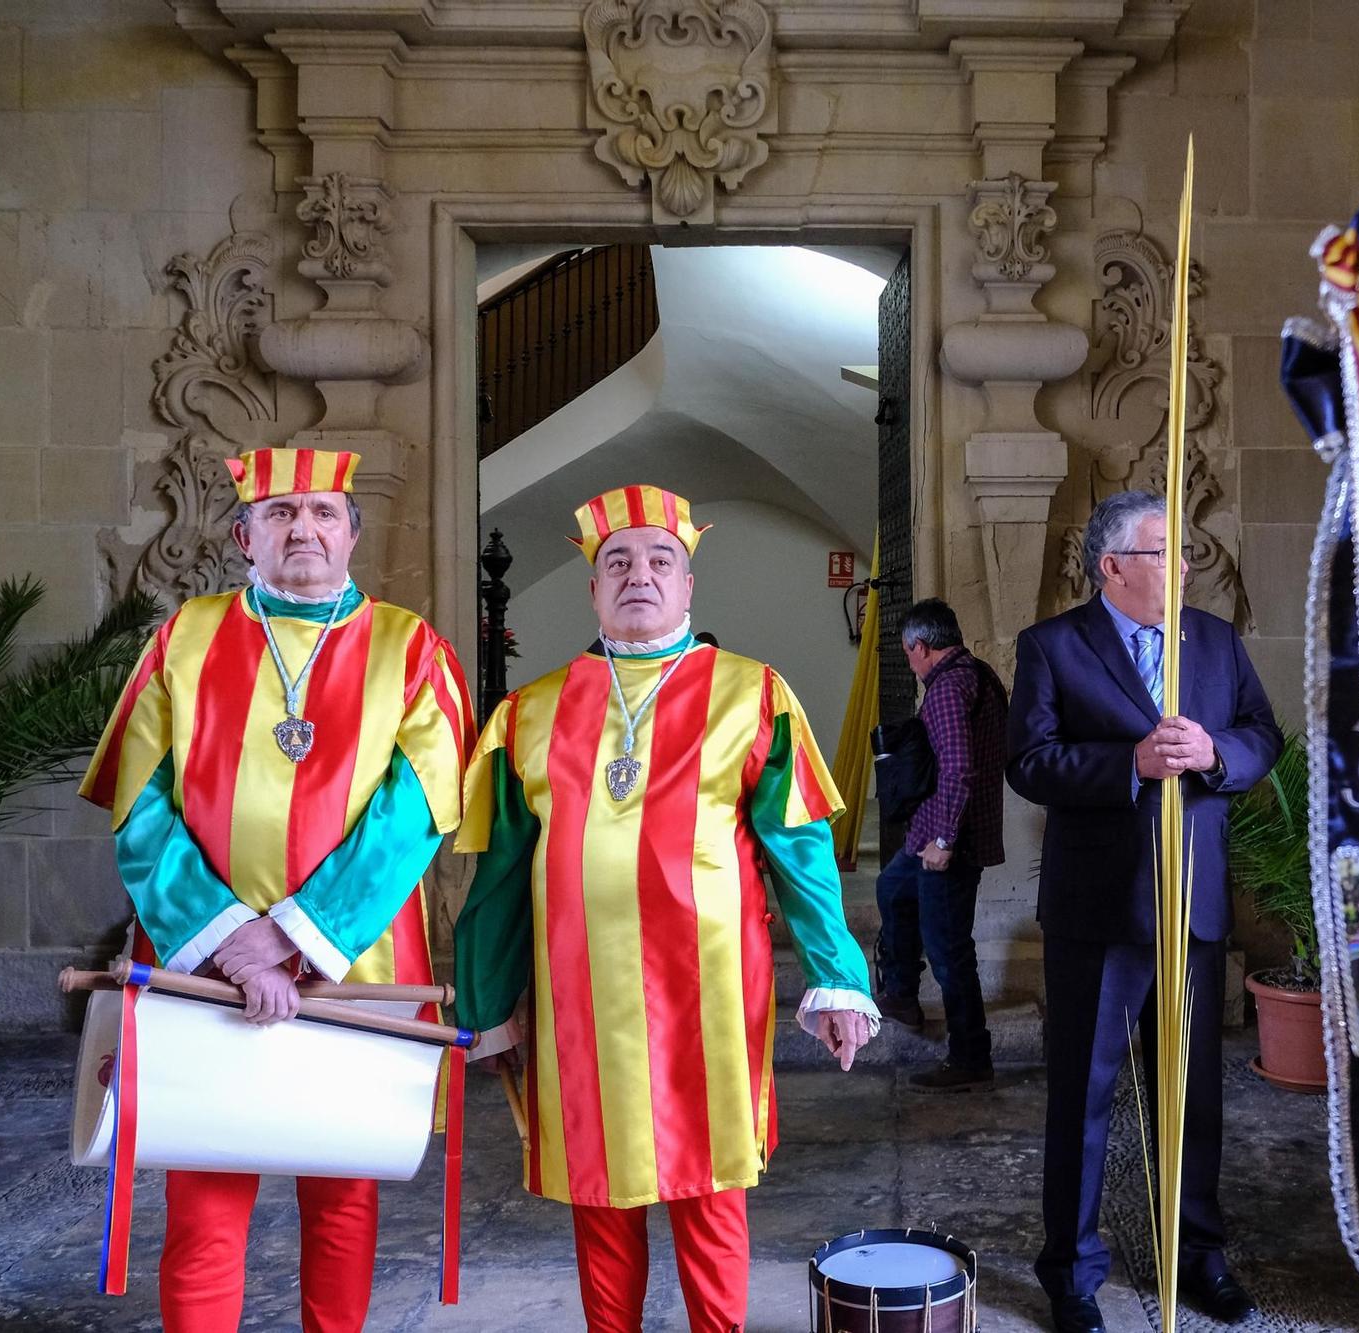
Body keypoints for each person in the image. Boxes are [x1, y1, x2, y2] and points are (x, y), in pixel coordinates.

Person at [451, 484, 879, 1333]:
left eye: (659, 560)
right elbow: (499, 876)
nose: (638, 574)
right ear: (593, 588)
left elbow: (801, 854)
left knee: (710, 1191)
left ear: (688, 586)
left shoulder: (751, 695)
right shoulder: (528, 714)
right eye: (618, 561)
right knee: (599, 1196)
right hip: (578, 999)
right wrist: (486, 1002)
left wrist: (836, 976)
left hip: (707, 999)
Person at [78, 447, 472, 1333]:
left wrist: (288, 941)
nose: (305, 528)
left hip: (355, 973)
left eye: (325, 513)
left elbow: (414, 816)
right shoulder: (181, 640)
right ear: (242, 535)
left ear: (353, 535)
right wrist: (228, 940)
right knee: (205, 1209)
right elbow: (138, 811)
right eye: (282, 512)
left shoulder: (412, 650)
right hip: (203, 974)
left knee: (342, 1205)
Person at [1008, 489, 1282, 1333]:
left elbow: (1263, 732)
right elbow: (1029, 761)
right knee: (1084, 1098)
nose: (1183, 565)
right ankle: (1073, 1273)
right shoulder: (1053, 645)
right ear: (1113, 566)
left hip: (1193, 903)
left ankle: (1197, 1256)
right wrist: (1126, 761)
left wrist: (1218, 753)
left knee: (1191, 1097)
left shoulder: (1217, 641)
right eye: (1163, 551)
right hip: (1099, 909)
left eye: (1184, 551)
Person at [873, 598, 1007, 1091]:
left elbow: (958, 767)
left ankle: (971, 1058)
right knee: (891, 889)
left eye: (909, 654)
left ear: (921, 646)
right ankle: (902, 991)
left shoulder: (950, 687)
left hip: (945, 841)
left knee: (950, 952)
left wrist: (946, 837)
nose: (909, 663)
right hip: (929, 834)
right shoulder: (979, 674)